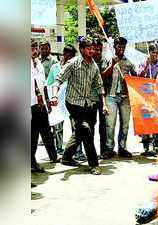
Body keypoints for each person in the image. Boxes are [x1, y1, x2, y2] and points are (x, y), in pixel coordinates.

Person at [51, 36, 108, 175]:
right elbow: (58, 79)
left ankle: (66, 157)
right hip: (73, 103)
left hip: (87, 103)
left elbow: (100, 87)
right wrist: (54, 95)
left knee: (80, 132)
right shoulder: (73, 63)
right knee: (86, 130)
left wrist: (104, 105)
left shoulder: (94, 66)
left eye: (93, 49)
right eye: (88, 48)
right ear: (81, 49)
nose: (92, 51)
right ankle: (94, 164)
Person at [101, 37, 137, 159]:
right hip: (111, 96)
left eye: (123, 47)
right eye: (119, 47)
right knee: (110, 124)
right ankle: (109, 148)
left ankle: (122, 148)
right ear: (115, 47)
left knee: (125, 124)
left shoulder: (129, 62)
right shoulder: (108, 60)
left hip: (125, 97)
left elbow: (136, 78)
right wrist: (112, 65)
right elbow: (102, 75)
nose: (121, 49)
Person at [31, 40, 59, 173]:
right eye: (32, 48)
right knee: (33, 136)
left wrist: (47, 100)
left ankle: (53, 156)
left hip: (40, 104)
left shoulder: (38, 64)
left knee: (46, 131)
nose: (35, 51)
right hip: (30, 104)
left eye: (35, 48)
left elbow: (43, 85)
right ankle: (31, 162)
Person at [47, 44, 78, 156]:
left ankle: (77, 151)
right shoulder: (55, 68)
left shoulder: (76, 67)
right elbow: (49, 84)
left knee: (76, 127)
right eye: (69, 55)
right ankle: (59, 149)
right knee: (58, 127)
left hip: (73, 101)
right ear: (64, 55)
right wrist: (50, 100)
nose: (70, 58)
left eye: (73, 56)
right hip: (59, 102)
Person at [139, 43, 158, 156]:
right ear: (150, 52)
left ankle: (156, 144)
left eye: (157, 53)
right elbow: (138, 76)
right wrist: (146, 66)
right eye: (153, 52)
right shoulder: (144, 63)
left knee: (157, 119)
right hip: (145, 96)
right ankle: (146, 146)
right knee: (146, 120)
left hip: (157, 96)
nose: (155, 55)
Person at [92, 38, 108, 158]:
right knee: (91, 126)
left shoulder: (105, 61)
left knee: (104, 126)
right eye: (96, 49)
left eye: (100, 49)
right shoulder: (89, 62)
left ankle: (104, 150)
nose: (98, 52)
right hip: (91, 98)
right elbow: (101, 76)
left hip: (103, 98)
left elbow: (105, 79)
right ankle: (91, 151)